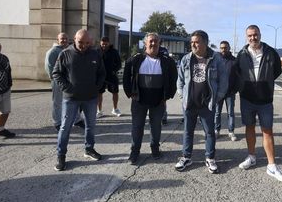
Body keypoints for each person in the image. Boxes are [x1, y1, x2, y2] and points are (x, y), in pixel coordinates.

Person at [235, 25, 282, 183]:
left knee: (267, 131)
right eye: (250, 36)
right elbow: (237, 72)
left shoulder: (271, 52)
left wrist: (264, 84)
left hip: (265, 99)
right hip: (247, 99)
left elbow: (277, 71)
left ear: (260, 35)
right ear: (247, 37)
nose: (253, 38)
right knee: (249, 127)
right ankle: (251, 156)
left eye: (255, 35)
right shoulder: (242, 54)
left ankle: (271, 165)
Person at [52, 29, 106, 171]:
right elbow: (56, 73)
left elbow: (102, 73)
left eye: (87, 43)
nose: (83, 46)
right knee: (65, 127)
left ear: (91, 42)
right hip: (71, 99)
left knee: (91, 126)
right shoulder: (65, 54)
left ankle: (89, 149)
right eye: (80, 42)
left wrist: (97, 87)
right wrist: (67, 88)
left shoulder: (95, 54)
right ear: (74, 39)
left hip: (90, 98)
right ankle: (61, 155)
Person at [175, 30, 228, 174]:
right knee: (188, 132)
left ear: (205, 42)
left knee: (210, 132)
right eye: (191, 42)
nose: (193, 44)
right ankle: (186, 157)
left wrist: (216, 99)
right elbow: (179, 81)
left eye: (196, 42)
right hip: (190, 103)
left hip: (207, 104)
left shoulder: (216, 58)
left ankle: (210, 158)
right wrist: (182, 97)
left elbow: (224, 81)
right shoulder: (186, 59)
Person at [123, 33, 177, 165]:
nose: (153, 44)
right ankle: (135, 151)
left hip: (158, 101)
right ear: (145, 43)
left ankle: (155, 148)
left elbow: (173, 79)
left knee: (156, 127)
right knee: (137, 127)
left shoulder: (167, 61)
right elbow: (126, 77)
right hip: (139, 101)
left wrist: (167, 96)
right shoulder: (135, 60)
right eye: (151, 41)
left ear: (160, 43)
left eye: (156, 42)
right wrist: (130, 93)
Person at [45, 32, 85, 131]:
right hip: (58, 81)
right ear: (57, 40)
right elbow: (49, 66)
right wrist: (55, 79)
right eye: (62, 39)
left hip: (70, 82)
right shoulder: (52, 52)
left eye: (66, 38)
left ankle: (77, 120)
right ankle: (57, 122)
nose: (64, 40)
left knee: (74, 101)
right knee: (57, 102)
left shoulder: (70, 50)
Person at [214, 40, 238, 141]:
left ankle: (231, 131)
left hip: (230, 93)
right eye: (222, 48)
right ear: (220, 49)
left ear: (229, 48)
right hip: (218, 92)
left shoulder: (234, 61)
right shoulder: (216, 60)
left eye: (225, 48)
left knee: (231, 113)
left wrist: (235, 89)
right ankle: (216, 130)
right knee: (217, 113)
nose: (223, 49)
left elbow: (239, 76)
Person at [97, 36, 122, 118]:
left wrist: (114, 71)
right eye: (103, 44)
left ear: (109, 43)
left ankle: (115, 109)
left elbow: (119, 64)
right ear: (100, 43)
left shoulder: (114, 51)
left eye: (106, 44)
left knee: (115, 92)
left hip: (111, 75)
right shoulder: (97, 51)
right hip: (100, 76)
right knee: (99, 93)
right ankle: (99, 111)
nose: (104, 46)